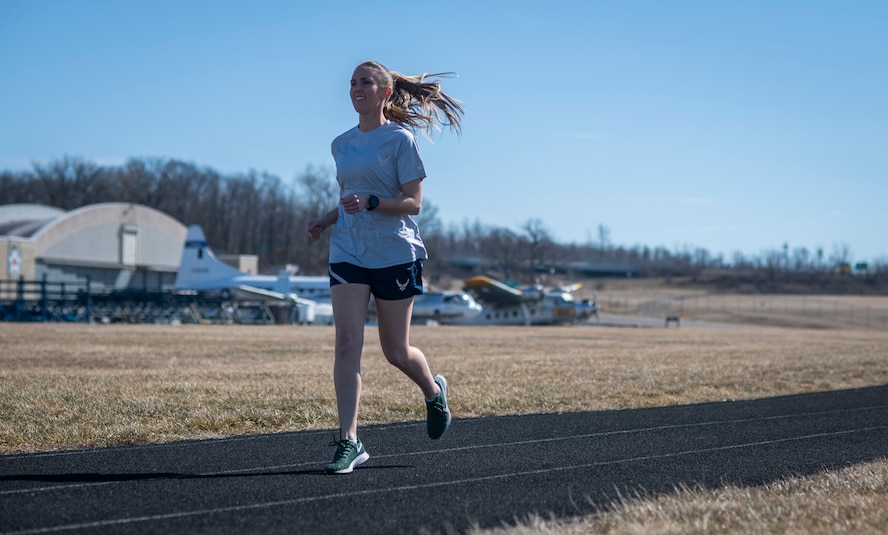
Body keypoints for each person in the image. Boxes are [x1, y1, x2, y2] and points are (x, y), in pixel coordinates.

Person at [307, 60, 464, 474]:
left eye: (366, 82)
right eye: (352, 82)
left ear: (385, 92)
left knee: (395, 351)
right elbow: (350, 198)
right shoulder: (340, 144)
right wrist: (326, 220)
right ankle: (349, 440)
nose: (357, 88)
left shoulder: (400, 139)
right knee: (345, 344)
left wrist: (374, 203)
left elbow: (413, 204)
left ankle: (433, 391)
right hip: (348, 252)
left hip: (395, 253)